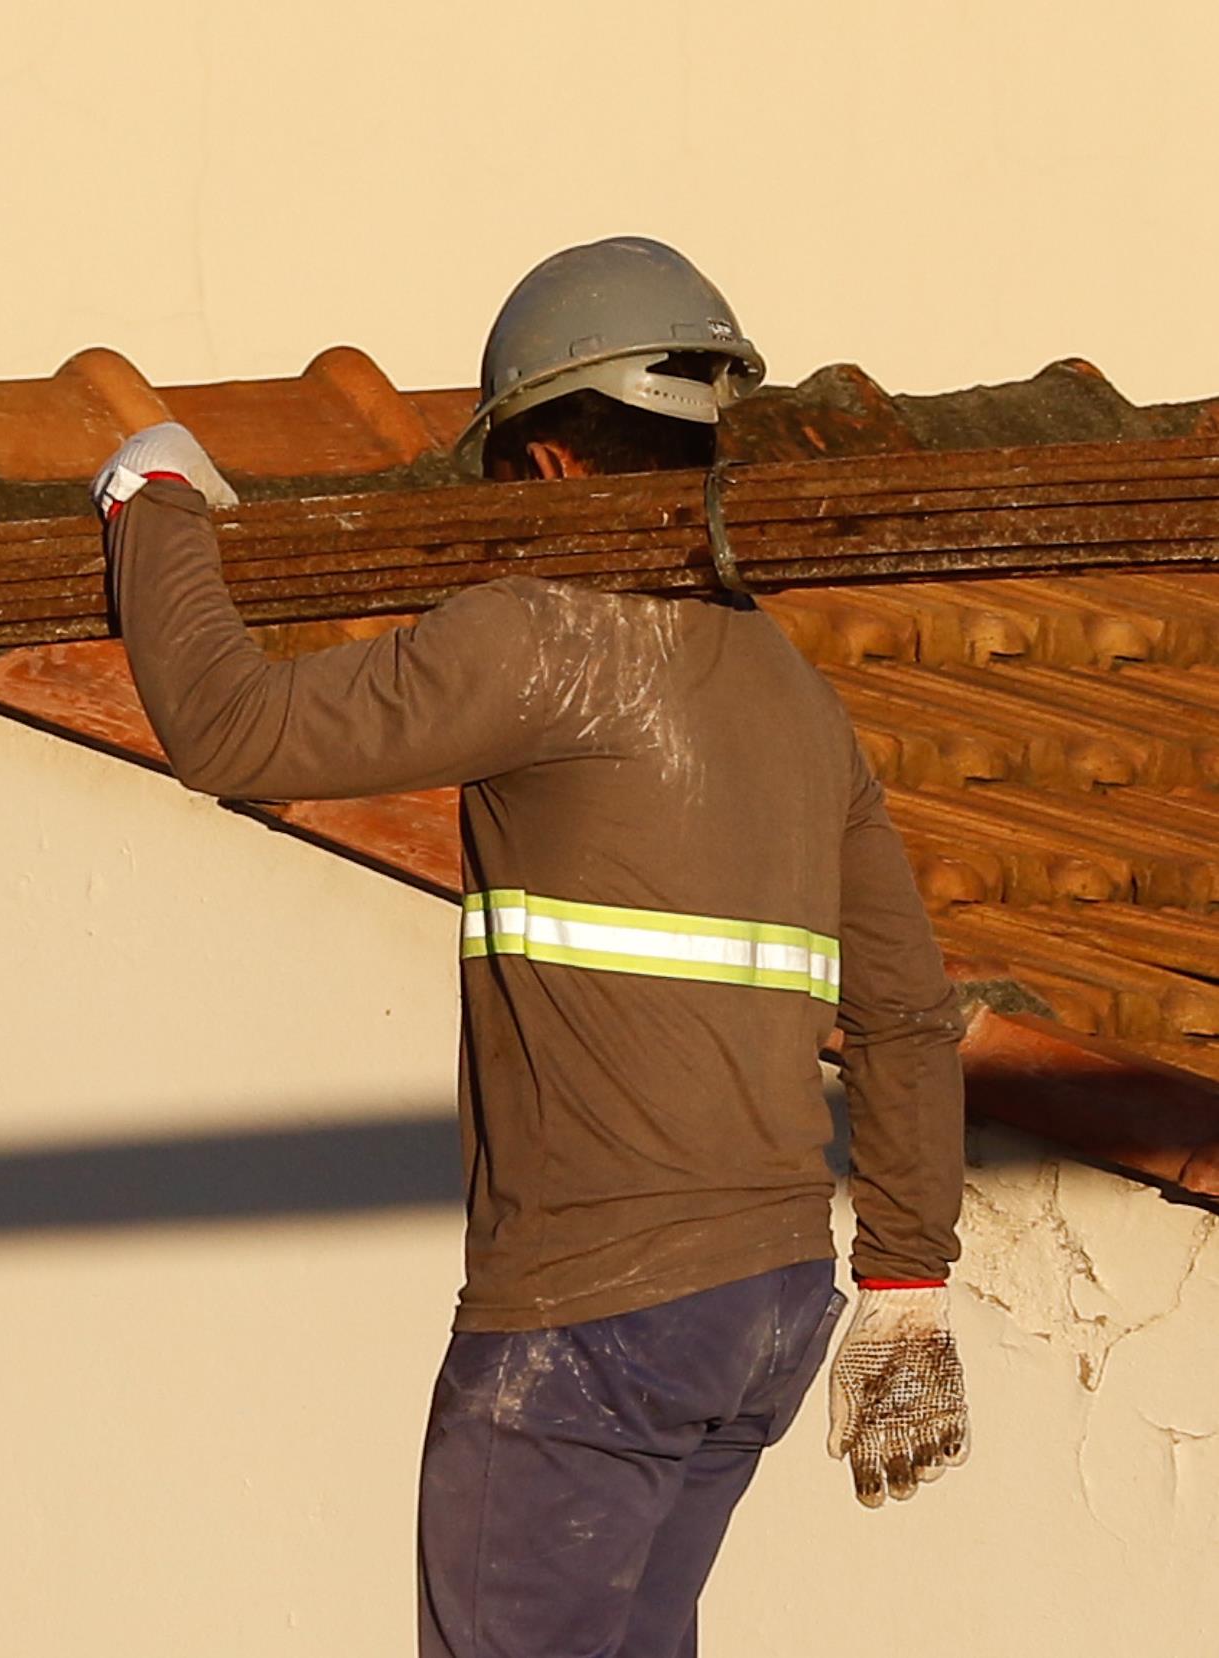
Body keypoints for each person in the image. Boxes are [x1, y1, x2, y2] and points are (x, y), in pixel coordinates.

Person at [89, 236, 969, 1657]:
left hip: (591, 1321)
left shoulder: (543, 639)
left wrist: (157, 499)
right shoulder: (797, 696)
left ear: (550, 466)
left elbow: (232, 728)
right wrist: (911, 1282)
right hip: (763, 1310)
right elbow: (912, 1013)